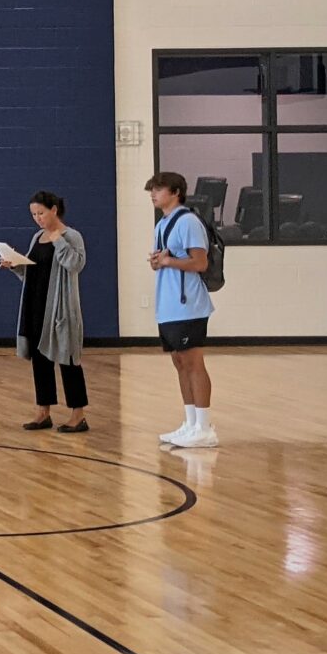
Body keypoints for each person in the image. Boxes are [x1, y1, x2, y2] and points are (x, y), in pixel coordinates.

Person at [5, 190, 90, 432]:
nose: (38, 218)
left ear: (54, 209)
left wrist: (59, 241)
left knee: (68, 359)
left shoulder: (72, 236)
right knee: (40, 360)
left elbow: (75, 264)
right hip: (36, 305)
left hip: (61, 309)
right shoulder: (36, 237)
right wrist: (15, 265)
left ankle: (78, 414)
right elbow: (33, 273)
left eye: (41, 213)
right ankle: (43, 411)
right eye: (34, 214)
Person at [146, 171, 217, 449]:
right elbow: (164, 259)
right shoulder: (162, 224)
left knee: (193, 362)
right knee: (179, 362)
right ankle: (190, 422)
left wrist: (168, 262)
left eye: (158, 189)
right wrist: (157, 262)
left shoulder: (187, 221)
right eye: (152, 190)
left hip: (189, 305)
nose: (153, 194)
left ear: (175, 192)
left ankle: (204, 426)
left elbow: (200, 263)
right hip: (170, 305)